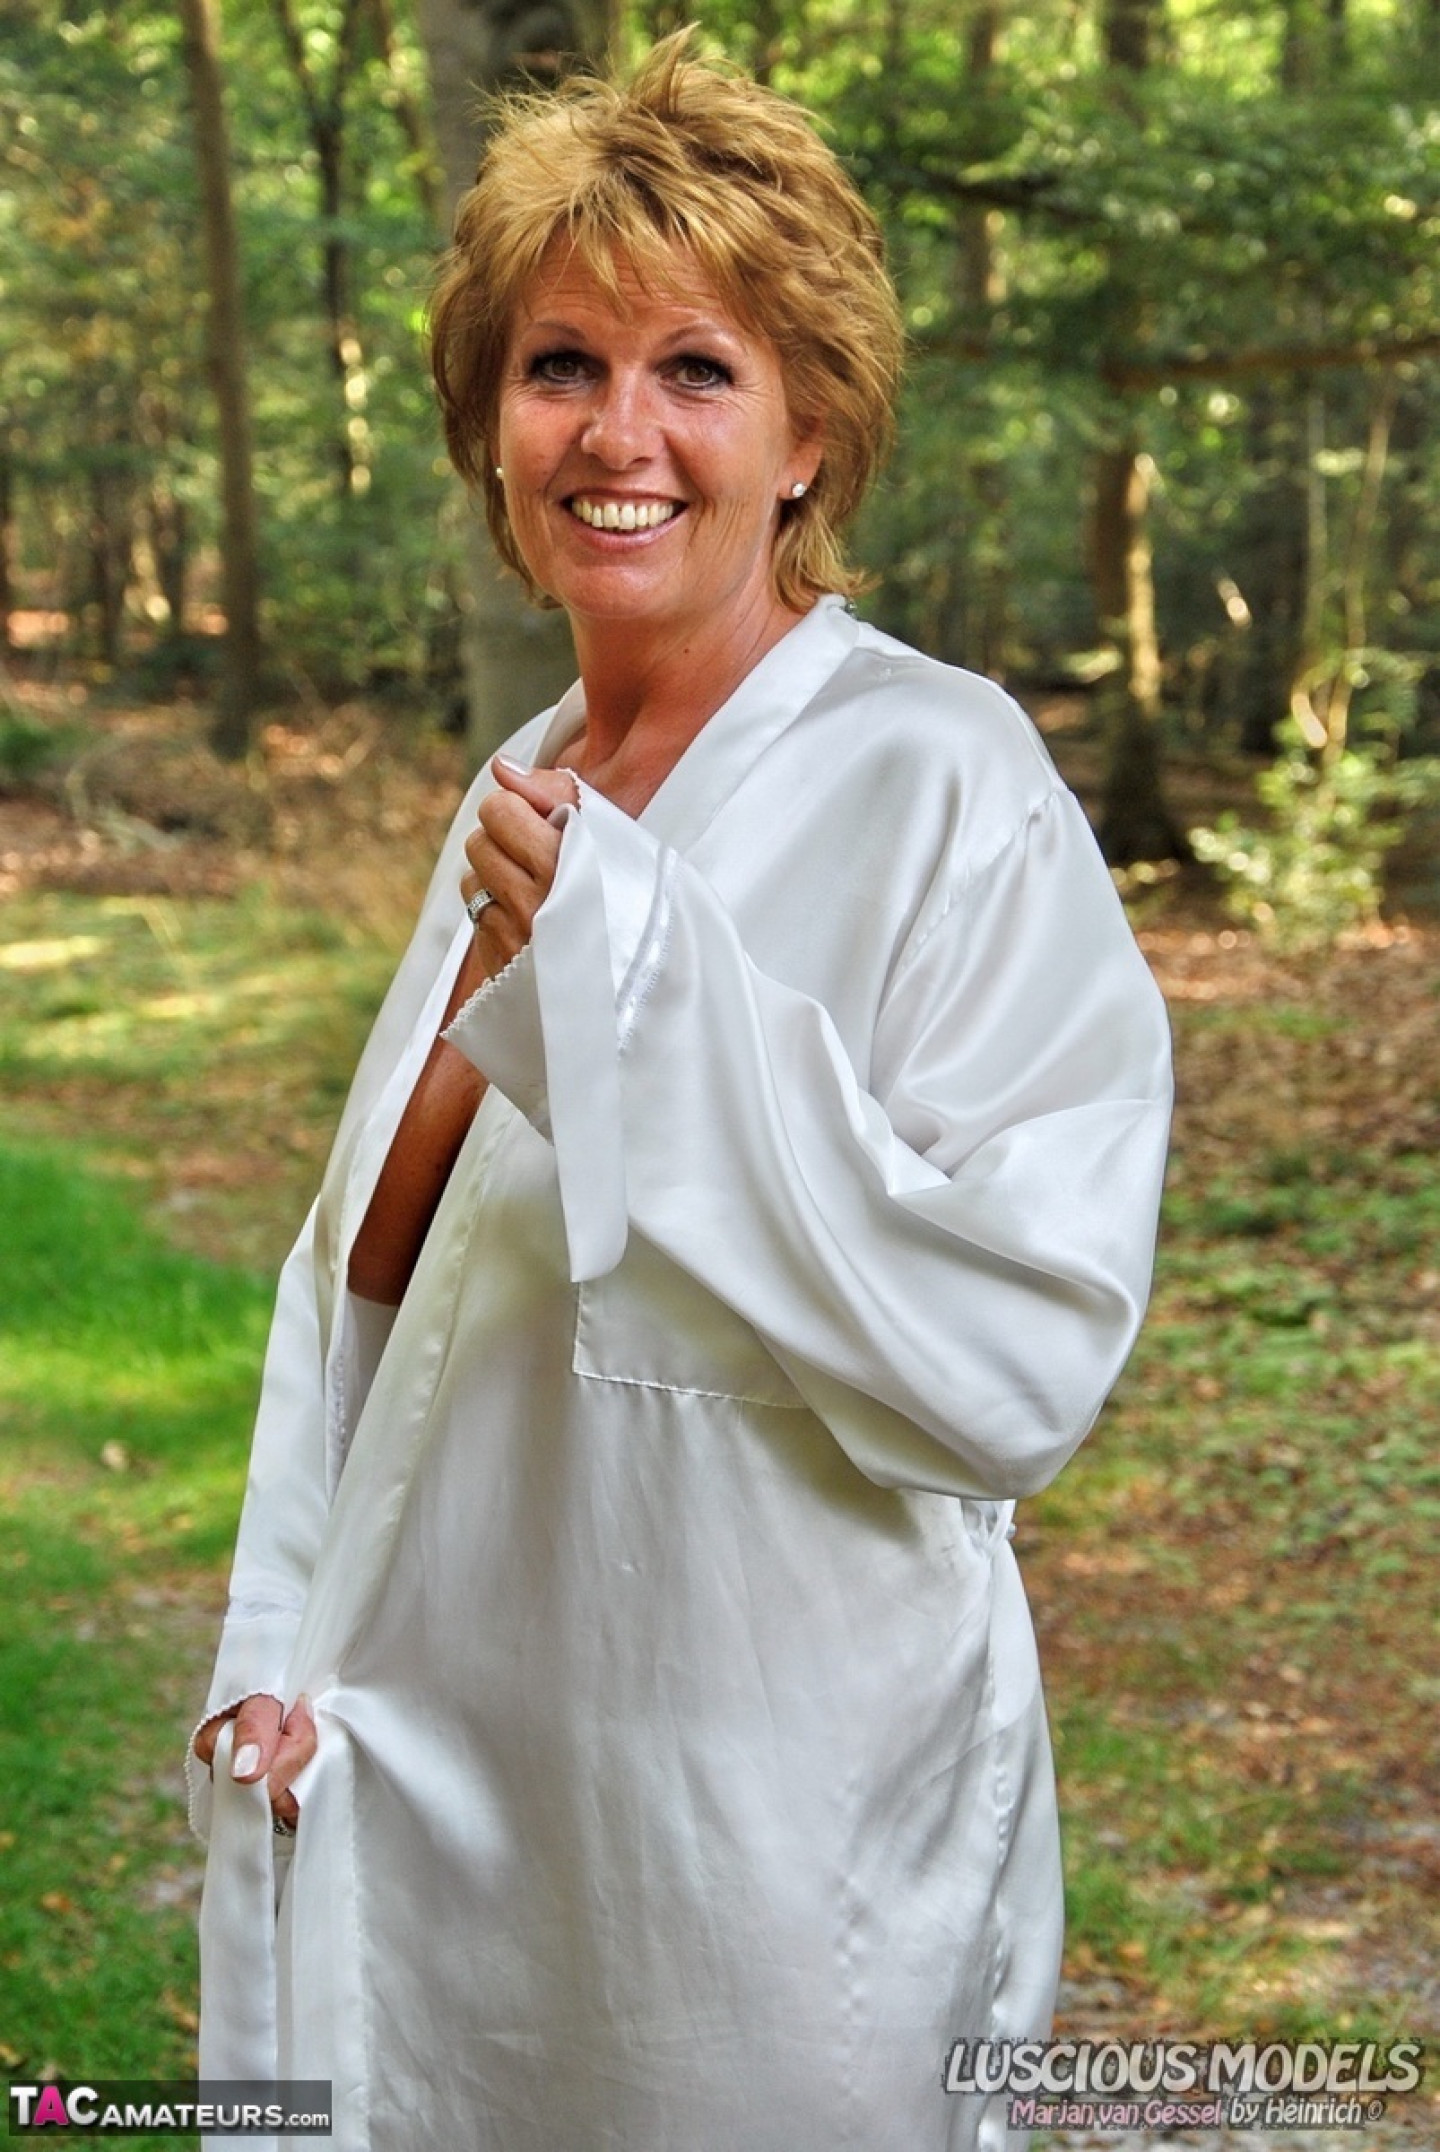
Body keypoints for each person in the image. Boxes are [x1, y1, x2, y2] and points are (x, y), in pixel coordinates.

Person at [190, 34, 1171, 2152]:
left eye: (696, 371)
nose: (616, 434)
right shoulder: (527, 782)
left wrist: (645, 994)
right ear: (492, 421)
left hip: (765, 1885)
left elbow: (1022, 1355)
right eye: (560, 364)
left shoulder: (943, 777)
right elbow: (370, 1291)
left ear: (809, 434)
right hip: (459, 1827)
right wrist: (278, 1641)